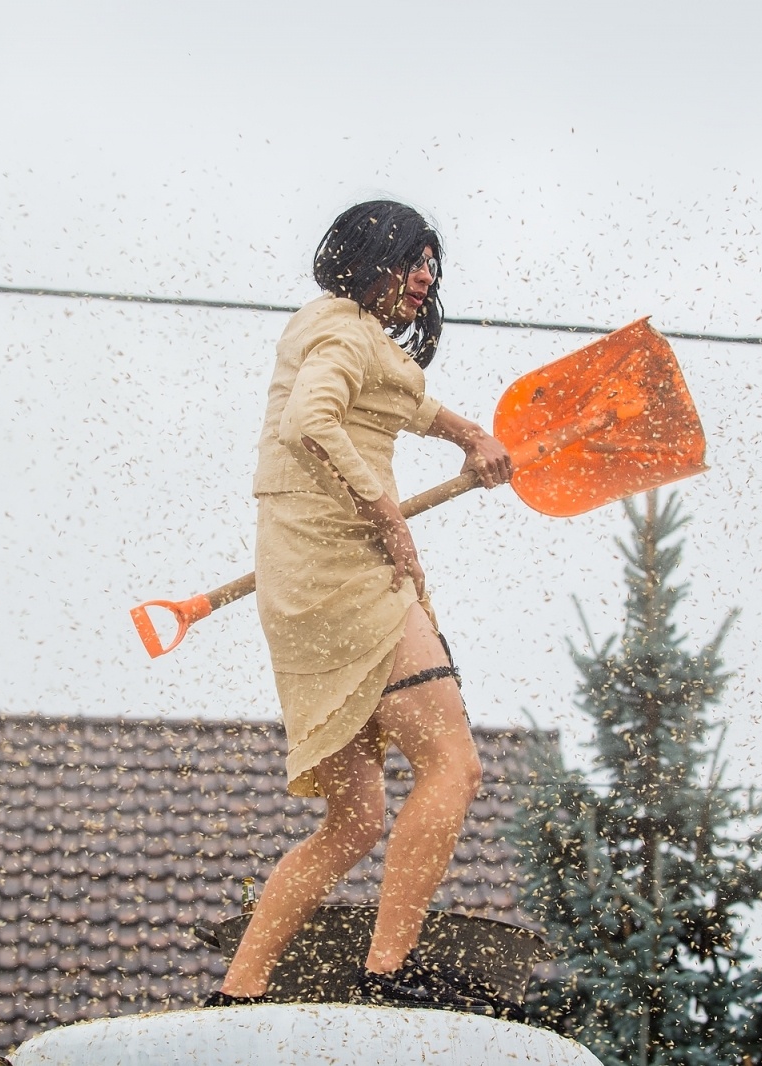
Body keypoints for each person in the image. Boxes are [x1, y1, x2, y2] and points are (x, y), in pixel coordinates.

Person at [213, 201, 513, 1007]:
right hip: (346, 571)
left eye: (430, 263)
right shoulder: (344, 335)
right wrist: (383, 510)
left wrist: (472, 436)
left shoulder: (341, 332)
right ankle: (386, 973)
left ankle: (238, 990)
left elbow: (403, 404)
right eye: (410, 259)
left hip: (297, 587)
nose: (425, 277)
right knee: (455, 764)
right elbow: (314, 420)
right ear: (368, 258)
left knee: (353, 823)